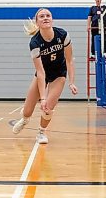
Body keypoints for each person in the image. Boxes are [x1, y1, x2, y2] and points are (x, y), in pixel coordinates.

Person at [12, 8, 78, 144]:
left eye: (48, 15)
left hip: (59, 74)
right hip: (43, 73)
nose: (45, 18)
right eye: (41, 16)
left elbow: (70, 60)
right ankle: (24, 119)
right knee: (27, 111)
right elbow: (40, 72)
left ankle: (41, 132)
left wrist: (71, 82)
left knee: (48, 106)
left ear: (52, 19)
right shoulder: (35, 43)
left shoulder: (63, 35)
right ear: (37, 22)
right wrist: (42, 97)